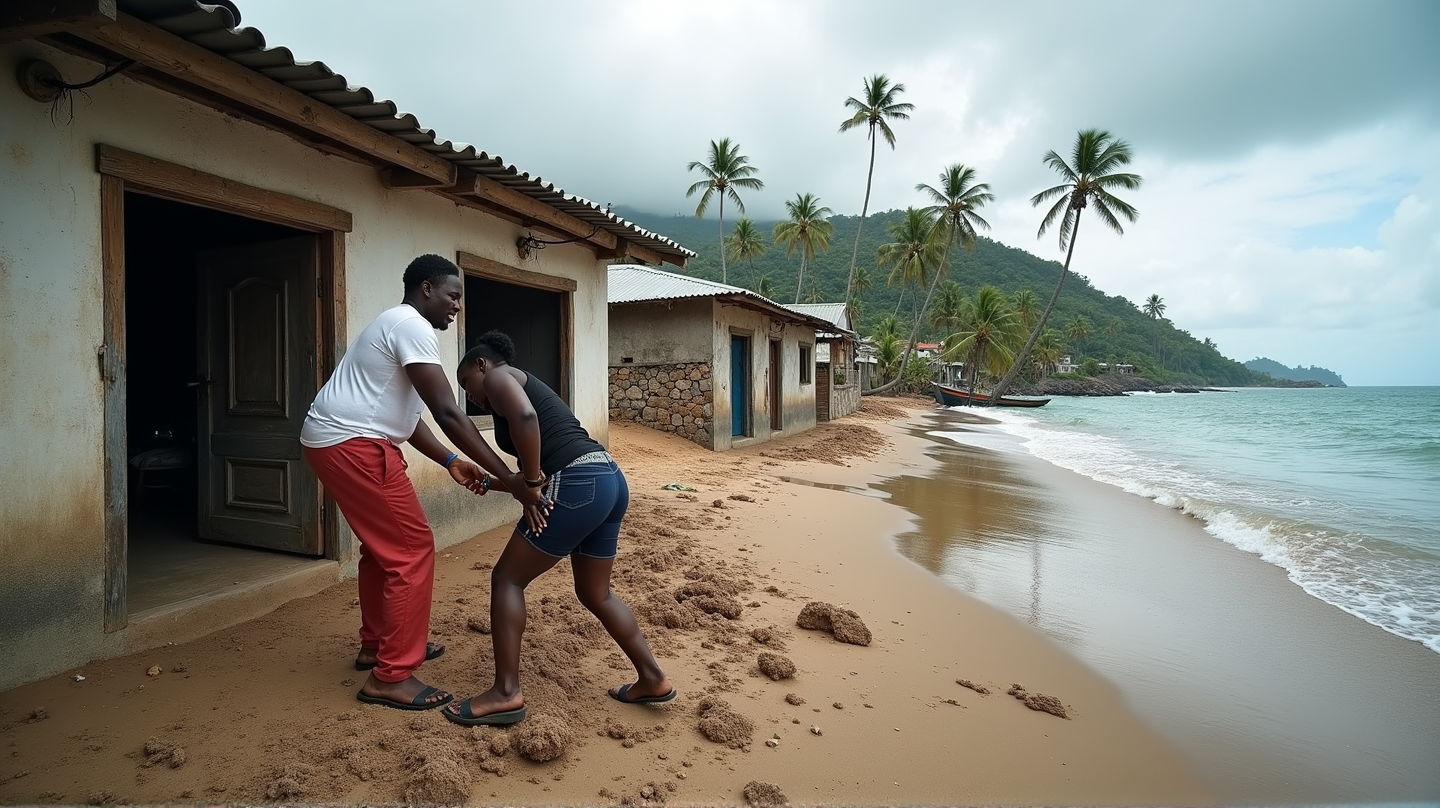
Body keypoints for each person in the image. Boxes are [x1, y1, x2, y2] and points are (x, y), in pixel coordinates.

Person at [301, 255, 549, 711]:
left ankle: (378, 644)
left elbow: (411, 420)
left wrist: (452, 460)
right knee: (412, 548)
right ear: (427, 289)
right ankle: (391, 675)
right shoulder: (411, 324)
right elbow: (450, 413)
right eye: (453, 295)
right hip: (356, 445)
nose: (457, 307)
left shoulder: (398, 329)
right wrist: (510, 478)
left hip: (337, 440)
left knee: (383, 550)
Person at [441, 330, 674, 727]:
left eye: (467, 383)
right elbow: (543, 465)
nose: (470, 395)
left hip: (579, 483)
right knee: (595, 592)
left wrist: (530, 484)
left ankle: (506, 693)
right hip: (607, 478)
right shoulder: (521, 385)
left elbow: (529, 428)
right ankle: (652, 678)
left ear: (481, 365)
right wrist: (497, 482)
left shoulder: (499, 376)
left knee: (507, 581)